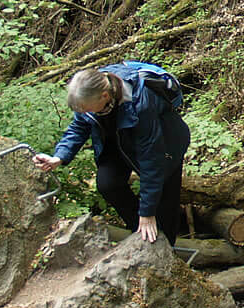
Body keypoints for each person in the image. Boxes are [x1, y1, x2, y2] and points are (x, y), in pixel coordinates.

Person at [34, 63, 189, 245]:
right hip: (119, 141)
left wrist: (147, 213)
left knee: (164, 200)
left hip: (165, 145)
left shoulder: (141, 103)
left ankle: (166, 248)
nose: (84, 112)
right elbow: (79, 127)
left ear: (105, 96)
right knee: (108, 184)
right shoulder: (92, 90)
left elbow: (151, 162)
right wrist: (58, 157)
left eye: (87, 109)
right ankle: (141, 231)